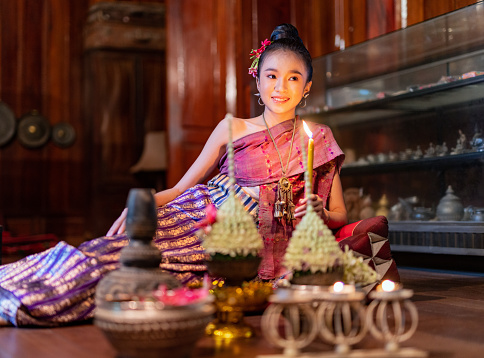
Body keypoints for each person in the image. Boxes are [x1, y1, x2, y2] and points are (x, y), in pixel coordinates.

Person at [0, 23, 347, 327]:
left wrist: (319, 213)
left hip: (246, 243)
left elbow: (339, 216)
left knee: (152, 280)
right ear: (257, 79)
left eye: (293, 78)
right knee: (109, 252)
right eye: (271, 75)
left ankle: (32, 306)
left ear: (307, 87)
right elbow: (182, 186)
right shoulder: (233, 127)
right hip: (202, 215)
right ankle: (12, 293)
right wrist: (142, 209)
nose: (280, 87)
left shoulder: (318, 140)